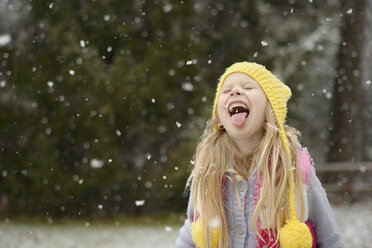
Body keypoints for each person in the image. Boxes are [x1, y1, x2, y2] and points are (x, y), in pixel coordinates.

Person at [175, 62, 344, 248]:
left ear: (270, 109)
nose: (235, 91)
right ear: (219, 118)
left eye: (248, 87)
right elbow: (192, 229)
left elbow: (329, 237)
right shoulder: (208, 166)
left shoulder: (292, 167)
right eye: (226, 90)